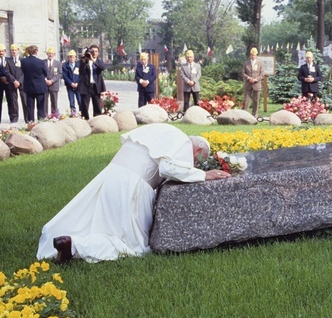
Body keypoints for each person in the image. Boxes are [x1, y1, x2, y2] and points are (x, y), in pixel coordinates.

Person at [36, 123, 231, 264]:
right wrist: (203, 174)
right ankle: (75, 245)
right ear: (196, 148)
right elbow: (169, 168)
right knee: (134, 247)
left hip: (112, 177)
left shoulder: (164, 130)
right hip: (135, 186)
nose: (194, 163)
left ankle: (68, 240)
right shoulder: (182, 142)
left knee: (103, 226)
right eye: (197, 160)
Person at [20, 45, 49, 122]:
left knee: (30, 106)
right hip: (39, 86)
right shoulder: (41, 62)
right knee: (40, 106)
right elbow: (46, 73)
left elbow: (23, 71)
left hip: (28, 86)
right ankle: (41, 120)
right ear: (36, 52)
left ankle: (30, 122)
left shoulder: (23, 61)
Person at [77, 45, 106, 119]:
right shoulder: (84, 61)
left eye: (96, 51)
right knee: (84, 106)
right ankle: (85, 120)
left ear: (98, 53)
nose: (94, 53)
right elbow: (80, 71)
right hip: (86, 86)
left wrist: (93, 60)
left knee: (97, 105)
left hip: (96, 87)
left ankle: (97, 121)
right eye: (92, 51)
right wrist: (84, 58)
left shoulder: (99, 62)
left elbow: (102, 68)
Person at [6, 44, 26, 123]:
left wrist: (19, 81)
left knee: (25, 100)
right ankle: (14, 117)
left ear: (18, 50)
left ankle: (27, 118)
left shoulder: (23, 60)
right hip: (12, 83)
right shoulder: (8, 61)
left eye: (15, 50)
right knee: (13, 101)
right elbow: (7, 72)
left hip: (22, 83)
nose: (14, 51)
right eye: (12, 50)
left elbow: (24, 72)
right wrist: (14, 81)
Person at [0, 45, 11, 123]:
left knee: (10, 101)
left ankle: (12, 118)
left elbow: (11, 71)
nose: (1, 52)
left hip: (7, 83)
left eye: (2, 51)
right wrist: (0, 77)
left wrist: (7, 78)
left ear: (5, 51)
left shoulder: (9, 60)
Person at [243, 48, 263, 116]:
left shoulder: (260, 63)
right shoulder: (246, 63)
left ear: (256, 55)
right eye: (252, 55)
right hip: (248, 84)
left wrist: (255, 79)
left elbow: (262, 74)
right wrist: (248, 78)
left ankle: (255, 115)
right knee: (246, 100)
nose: (253, 56)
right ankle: (244, 114)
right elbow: (243, 73)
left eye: (254, 55)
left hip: (256, 84)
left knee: (256, 100)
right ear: (250, 55)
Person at [44, 47, 62, 116]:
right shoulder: (43, 62)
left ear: (54, 54)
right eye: (49, 53)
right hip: (45, 84)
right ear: (47, 54)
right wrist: (45, 80)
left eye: (52, 53)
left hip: (54, 85)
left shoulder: (58, 63)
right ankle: (45, 115)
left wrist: (52, 80)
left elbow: (60, 73)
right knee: (44, 101)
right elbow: (40, 72)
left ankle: (54, 115)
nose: (50, 55)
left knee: (54, 101)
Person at [62, 49, 80, 115]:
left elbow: (81, 75)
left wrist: (77, 83)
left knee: (80, 101)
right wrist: (71, 83)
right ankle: (73, 114)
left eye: (73, 57)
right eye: (70, 57)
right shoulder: (65, 66)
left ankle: (81, 113)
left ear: (75, 58)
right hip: (70, 86)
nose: (71, 59)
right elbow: (65, 76)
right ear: (68, 58)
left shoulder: (78, 65)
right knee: (71, 101)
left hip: (78, 86)